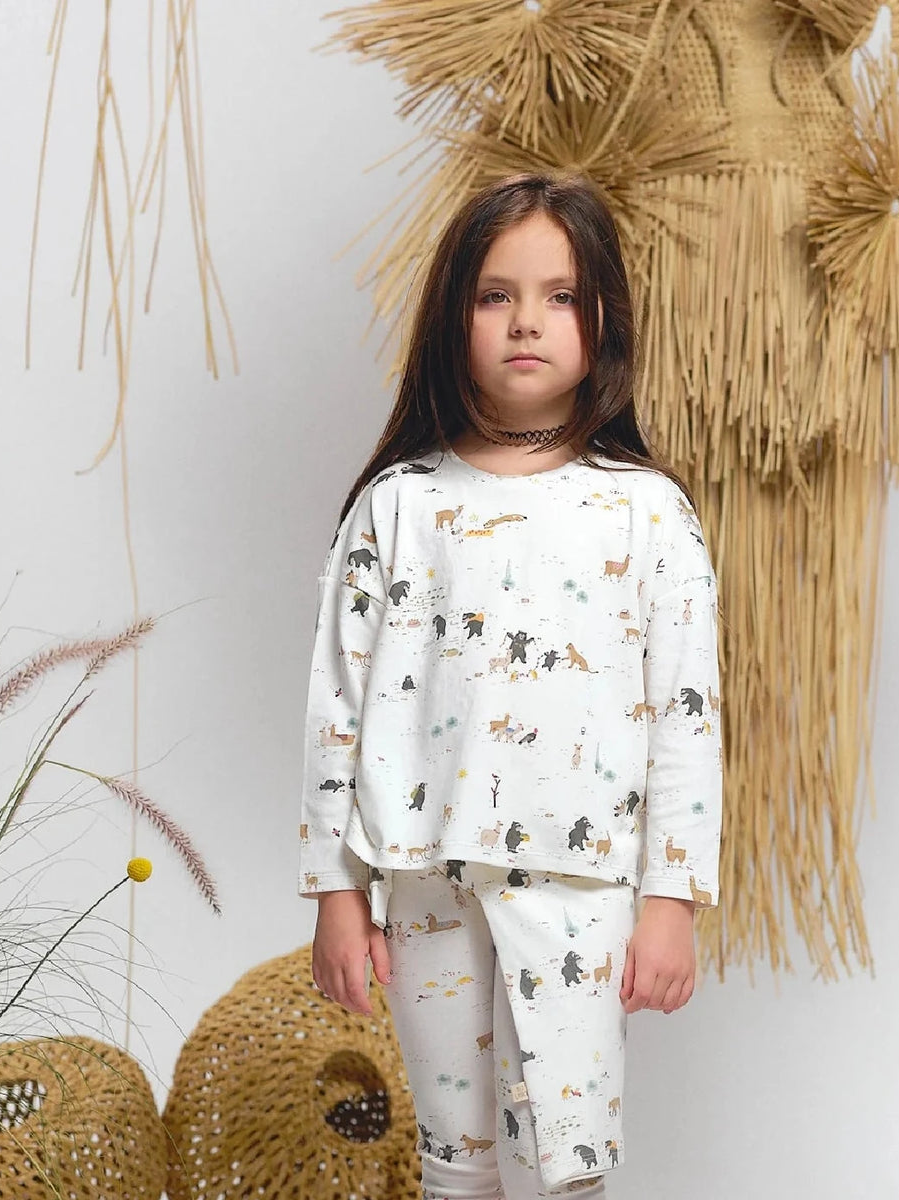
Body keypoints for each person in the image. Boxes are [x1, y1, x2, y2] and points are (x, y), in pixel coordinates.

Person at [299, 171, 722, 1200]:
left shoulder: (648, 513)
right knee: (453, 1164)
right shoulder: (398, 507)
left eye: (560, 296)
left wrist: (671, 898)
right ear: (454, 315)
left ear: (603, 319)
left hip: (579, 887)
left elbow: (686, 718)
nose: (527, 321)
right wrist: (337, 892)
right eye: (496, 295)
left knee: (567, 1163)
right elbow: (338, 707)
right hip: (425, 876)